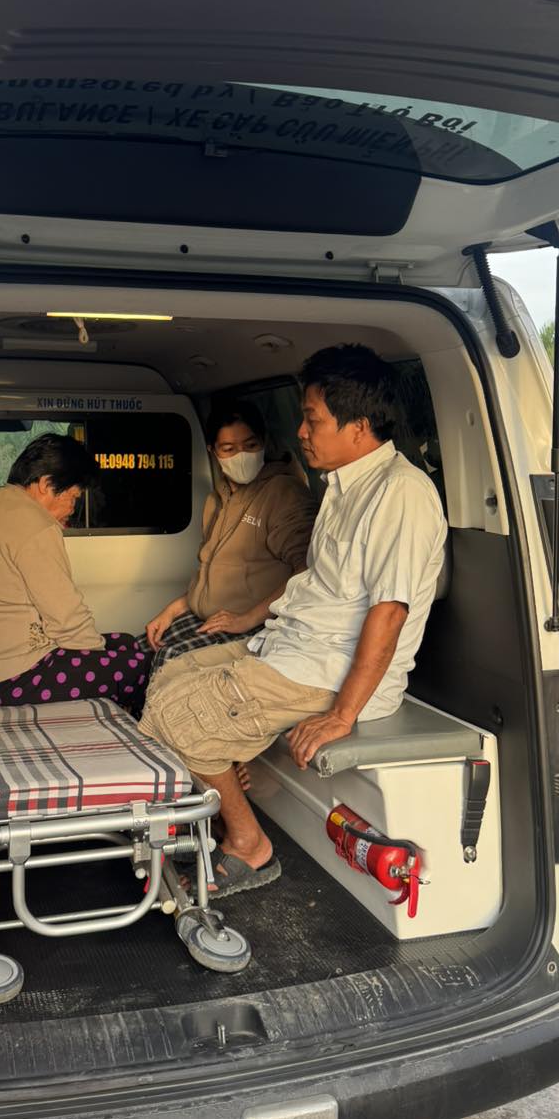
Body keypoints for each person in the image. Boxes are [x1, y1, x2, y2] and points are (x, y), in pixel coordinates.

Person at [140, 344, 447, 895]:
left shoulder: (400, 494)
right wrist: (248, 620)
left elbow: (390, 612)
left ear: (359, 426)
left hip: (329, 670)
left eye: (312, 420)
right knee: (166, 681)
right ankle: (221, 790)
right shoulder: (341, 486)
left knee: (179, 720)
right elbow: (310, 579)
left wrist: (343, 714)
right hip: (289, 645)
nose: (301, 433)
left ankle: (249, 845)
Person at [0, 433, 149, 713]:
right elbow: (67, 618)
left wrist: (104, 656)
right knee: (138, 667)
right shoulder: (35, 524)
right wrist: (101, 662)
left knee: (125, 642)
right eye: (73, 497)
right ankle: (134, 732)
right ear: (46, 484)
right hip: (6, 677)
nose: (73, 508)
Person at [144, 399, 315, 672]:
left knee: (170, 662)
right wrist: (172, 611)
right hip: (209, 617)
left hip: (256, 624)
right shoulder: (217, 499)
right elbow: (212, 576)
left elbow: (307, 570)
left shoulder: (283, 493)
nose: (241, 455)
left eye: (250, 445)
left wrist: (247, 619)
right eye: (229, 449)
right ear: (213, 451)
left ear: (264, 442)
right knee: (142, 651)